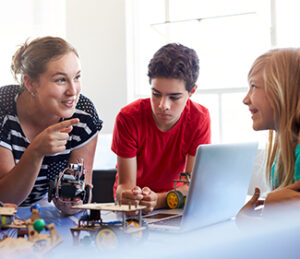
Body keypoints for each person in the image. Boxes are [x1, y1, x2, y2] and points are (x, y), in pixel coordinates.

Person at [0, 36, 103, 215]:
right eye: (60, 80)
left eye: (77, 77)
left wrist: (71, 204)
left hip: (41, 211)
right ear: (31, 84)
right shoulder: (3, 110)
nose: (73, 91)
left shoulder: (84, 115)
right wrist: (36, 150)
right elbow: (6, 199)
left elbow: (82, 195)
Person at [111, 43, 211, 214]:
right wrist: (129, 196)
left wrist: (159, 200)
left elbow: (192, 186)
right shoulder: (128, 117)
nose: (163, 105)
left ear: (192, 91)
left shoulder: (199, 118)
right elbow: (124, 186)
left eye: (174, 97)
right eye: (156, 94)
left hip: (176, 203)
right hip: (135, 207)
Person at [237, 48, 300, 221]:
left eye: (254, 86)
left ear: (282, 90)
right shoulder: (282, 153)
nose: (246, 99)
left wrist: (273, 203)